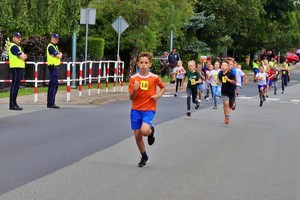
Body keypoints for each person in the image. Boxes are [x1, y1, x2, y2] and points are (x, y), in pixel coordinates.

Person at [128, 52, 166, 168]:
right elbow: (131, 98)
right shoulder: (134, 78)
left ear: (150, 64)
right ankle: (144, 156)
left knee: (144, 131)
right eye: (141, 63)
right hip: (136, 109)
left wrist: (158, 95)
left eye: (146, 63)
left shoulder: (154, 78)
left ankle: (151, 131)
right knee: (138, 135)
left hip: (149, 108)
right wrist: (135, 90)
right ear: (138, 64)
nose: (143, 65)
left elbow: (163, 87)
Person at [8, 32, 27, 110]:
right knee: (15, 86)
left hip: (18, 68)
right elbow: (22, 56)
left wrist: (23, 56)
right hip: (15, 68)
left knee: (15, 86)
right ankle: (13, 104)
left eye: (20, 37)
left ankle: (14, 103)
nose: (19, 39)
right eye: (18, 37)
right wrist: (23, 56)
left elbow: (23, 56)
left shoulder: (17, 47)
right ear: (14, 37)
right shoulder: (14, 47)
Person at [46, 33, 63, 109]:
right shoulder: (51, 47)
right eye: (55, 38)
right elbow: (59, 56)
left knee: (54, 85)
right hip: (53, 67)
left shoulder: (55, 47)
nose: (57, 40)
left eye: (57, 38)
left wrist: (58, 55)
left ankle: (51, 102)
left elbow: (59, 55)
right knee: (53, 85)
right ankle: (50, 102)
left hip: (55, 67)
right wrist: (58, 55)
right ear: (52, 38)